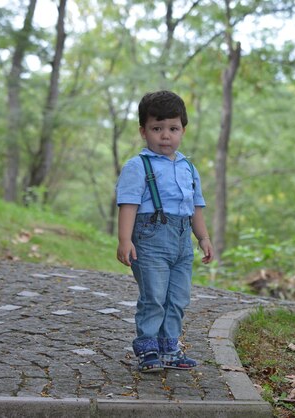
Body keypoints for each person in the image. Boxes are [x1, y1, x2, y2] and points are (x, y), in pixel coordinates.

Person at [116, 90, 214, 373]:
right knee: (154, 296)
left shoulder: (188, 167)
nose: (165, 136)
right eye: (157, 129)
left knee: (178, 298)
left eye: (172, 129)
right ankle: (147, 348)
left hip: (183, 240)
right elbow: (129, 204)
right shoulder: (138, 166)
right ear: (143, 131)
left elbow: (196, 206)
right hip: (150, 240)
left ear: (183, 130)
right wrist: (125, 240)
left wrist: (203, 237)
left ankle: (169, 347)